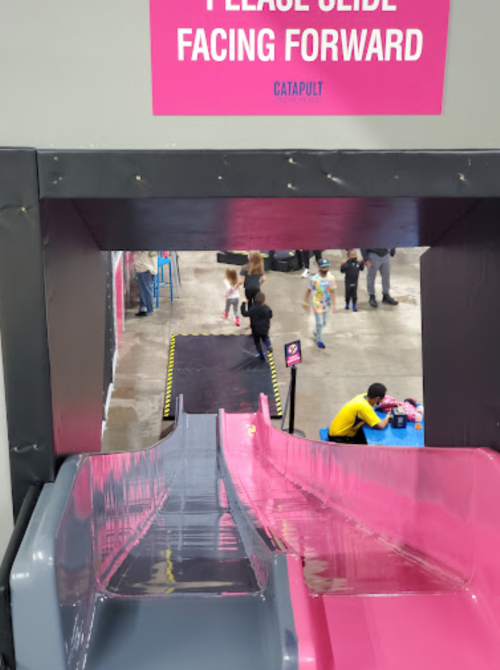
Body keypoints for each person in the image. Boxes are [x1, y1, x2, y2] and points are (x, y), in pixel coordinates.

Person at [304, 258, 337, 349]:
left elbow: (332, 291)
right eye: (323, 267)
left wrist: (334, 305)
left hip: (326, 304)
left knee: (324, 322)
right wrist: (306, 302)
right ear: (318, 268)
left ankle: (316, 332)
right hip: (317, 304)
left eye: (326, 267)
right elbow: (309, 291)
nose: (325, 269)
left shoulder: (331, 278)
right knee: (319, 322)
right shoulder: (314, 279)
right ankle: (320, 340)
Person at [241, 292, 273, 360]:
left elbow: (244, 313)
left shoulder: (253, 309)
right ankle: (268, 346)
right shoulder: (267, 308)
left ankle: (261, 355)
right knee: (265, 337)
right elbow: (270, 315)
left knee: (257, 342)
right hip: (265, 328)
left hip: (256, 329)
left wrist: (243, 304)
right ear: (263, 300)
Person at [134, 251, 158, 317]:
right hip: (150, 267)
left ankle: (150, 310)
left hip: (145, 268)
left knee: (146, 290)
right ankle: (143, 308)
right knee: (144, 290)